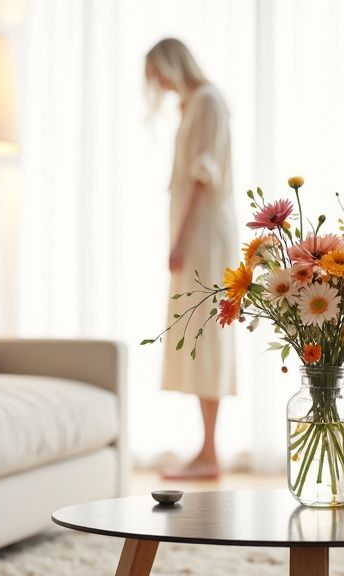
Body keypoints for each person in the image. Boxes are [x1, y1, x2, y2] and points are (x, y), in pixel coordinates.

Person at [146, 38, 237, 480]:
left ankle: (208, 454)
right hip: (198, 231)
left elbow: (203, 177)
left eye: (159, 73)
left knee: (205, 328)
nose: (159, 84)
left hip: (203, 235)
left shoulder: (205, 101)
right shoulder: (198, 103)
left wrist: (178, 240)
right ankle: (206, 450)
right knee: (200, 329)